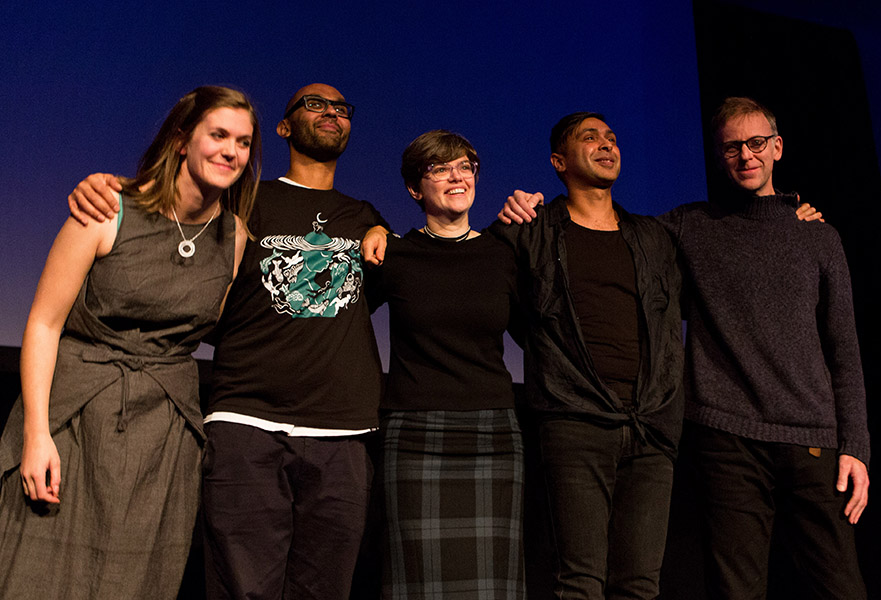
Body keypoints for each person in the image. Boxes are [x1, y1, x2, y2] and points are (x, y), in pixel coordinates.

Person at [67, 83, 390, 600]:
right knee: (242, 588)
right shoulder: (242, 198)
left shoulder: (365, 216)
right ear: (283, 128)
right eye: (313, 104)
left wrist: (383, 230)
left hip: (342, 431)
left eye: (340, 108)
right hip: (246, 423)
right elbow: (171, 220)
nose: (330, 112)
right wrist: (107, 188)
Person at [0, 85, 261, 599]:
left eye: (245, 142)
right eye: (220, 135)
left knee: (136, 581)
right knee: (36, 573)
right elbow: (44, 324)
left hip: (162, 435)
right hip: (72, 419)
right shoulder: (107, 207)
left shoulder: (234, 239)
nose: (232, 151)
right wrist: (36, 435)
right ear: (182, 141)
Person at [658, 97, 869, 599]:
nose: (745, 156)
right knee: (737, 591)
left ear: (777, 147)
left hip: (812, 437)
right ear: (718, 154)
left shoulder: (819, 237)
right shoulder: (692, 225)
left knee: (842, 587)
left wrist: (856, 447)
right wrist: (536, 208)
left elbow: (845, 349)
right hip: (726, 437)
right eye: (732, 147)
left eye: (755, 144)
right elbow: (608, 230)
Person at [490, 112, 684, 599]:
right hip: (574, 421)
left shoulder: (653, 237)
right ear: (559, 161)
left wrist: (792, 212)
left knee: (640, 584)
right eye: (589, 137)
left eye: (612, 138)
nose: (606, 145)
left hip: (650, 425)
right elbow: (491, 296)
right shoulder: (532, 230)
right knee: (580, 581)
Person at [364, 130, 525, 598]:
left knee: (494, 583)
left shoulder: (504, 254)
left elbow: (539, 335)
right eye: (440, 168)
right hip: (414, 435)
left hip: (493, 435)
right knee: (417, 581)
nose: (457, 176)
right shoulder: (393, 254)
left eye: (465, 166)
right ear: (416, 188)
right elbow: (342, 329)